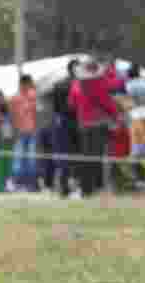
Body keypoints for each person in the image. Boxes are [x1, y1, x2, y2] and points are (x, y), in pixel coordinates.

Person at [69, 59, 119, 197]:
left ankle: (85, 189)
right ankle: (96, 188)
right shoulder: (98, 82)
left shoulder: (76, 84)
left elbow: (72, 104)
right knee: (97, 157)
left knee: (86, 156)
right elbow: (107, 102)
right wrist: (115, 116)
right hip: (98, 124)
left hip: (83, 124)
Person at [50, 59, 81, 197]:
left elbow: (55, 108)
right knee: (76, 155)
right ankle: (73, 186)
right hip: (74, 122)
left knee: (66, 157)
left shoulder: (59, 84)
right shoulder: (81, 84)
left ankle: (65, 188)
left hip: (64, 122)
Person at [9, 74, 38, 191]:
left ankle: (31, 184)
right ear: (23, 84)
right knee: (19, 159)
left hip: (31, 132)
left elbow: (36, 114)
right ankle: (18, 184)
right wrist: (14, 130)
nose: (30, 86)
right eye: (29, 84)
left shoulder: (33, 96)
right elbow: (12, 116)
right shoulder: (15, 98)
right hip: (20, 132)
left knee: (31, 158)